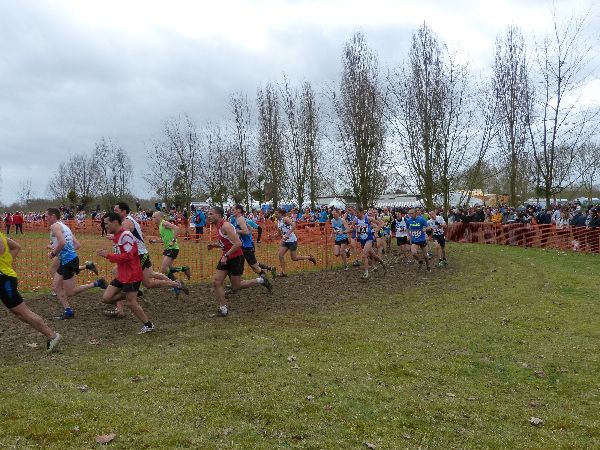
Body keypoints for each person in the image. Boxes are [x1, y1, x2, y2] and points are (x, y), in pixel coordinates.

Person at [104, 203, 187, 318]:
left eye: (116, 210)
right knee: (148, 283)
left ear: (123, 212)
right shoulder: (129, 221)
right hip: (141, 253)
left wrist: (113, 238)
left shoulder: (126, 222)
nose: (114, 213)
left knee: (117, 272)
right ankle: (176, 284)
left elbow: (123, 237)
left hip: (137, 256)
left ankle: (121, 309)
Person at [0, 231, 61, 351]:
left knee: (23, 312)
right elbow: (16, 247)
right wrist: (6, 264)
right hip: (5, 276)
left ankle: (52, 336)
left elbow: (3, 249)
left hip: (4, 280)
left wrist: (4, 267)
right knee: (18, 313)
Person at [206, 206, 271, 317]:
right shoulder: (218, 226)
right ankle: (223, 309)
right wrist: (214, 245)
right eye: (208, 214)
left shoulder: (226, 226)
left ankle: (261, 280)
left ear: (219, 215)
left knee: (236, 286)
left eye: (211, 214)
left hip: (236, 257)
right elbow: (227, 242)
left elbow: (238, 243)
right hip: (227, 257)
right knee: (216, 282)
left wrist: (226, 255)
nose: (208, 216)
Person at [97, 213, 155, 334]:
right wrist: (110, 255)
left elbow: (128, 256)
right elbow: (119, 255)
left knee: (131, 303)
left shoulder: (126, 235)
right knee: (106, 298)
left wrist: (108, 255)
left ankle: (148, 325)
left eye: (106, 223)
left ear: (115, 222)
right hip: (122, 274)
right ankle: (135, 292)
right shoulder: (117, 236)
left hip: (132, 274)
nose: (105, 226)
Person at [47, 208, 107, 319]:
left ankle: (97, 283)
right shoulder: (65, 226)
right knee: (56, 286)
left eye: (47, 216)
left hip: (69, 261)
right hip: (67, 260)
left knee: (70, 292)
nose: (46, 218)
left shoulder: (54, 226)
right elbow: (77, 245)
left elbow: (62, 242)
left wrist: (53, 253)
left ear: (53, 216)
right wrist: (65, 251)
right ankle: (68, 311)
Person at [230, 205, 275, 284]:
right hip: (240, 246)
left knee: (254, 266)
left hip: (247, 246)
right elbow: (248, 230)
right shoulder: (233, 219)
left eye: (233, 209)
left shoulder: (244, 220)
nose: (231, 211)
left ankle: (265, 276)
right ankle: (236, 282)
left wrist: (258, 240)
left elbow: (254, 230)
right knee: (237, 264)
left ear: (239, 210)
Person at [272, 208, 317, 277]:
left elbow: (294, 225)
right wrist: (272, 236)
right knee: (280, 255)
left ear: (281, 214)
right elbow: (279, 233)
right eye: (275, 214)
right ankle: (283, 272)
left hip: (292, 240)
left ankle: (309, 258)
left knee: (294, 258)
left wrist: (287, 234)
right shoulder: (278, 222)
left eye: (277, 214)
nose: (275, 215)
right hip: (285, 241)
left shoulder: (285, 219)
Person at [149, 211, 191, 283]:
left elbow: (176, 228)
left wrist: (173, 241)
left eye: (154, 217)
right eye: (152, 217)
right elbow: (164, 239)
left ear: (159, 217)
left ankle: (176, 282)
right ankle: (181, 274)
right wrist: (154, 241)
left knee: (164, 269)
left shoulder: (164, 223)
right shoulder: (160, 226)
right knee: (169, 268)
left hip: (173, 248)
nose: (152, 219)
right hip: (168, 248)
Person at [350, 208, 385, 279]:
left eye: (358, 213)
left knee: (364, 255)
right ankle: (382, 262)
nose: (356, 215)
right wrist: (354, 229)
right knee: (373, 255)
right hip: (362, 240)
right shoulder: (356, 220)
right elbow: (351, 227)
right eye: (356, 213)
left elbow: (379, 223)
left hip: (369, 239)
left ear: (362, 212)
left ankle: (366, 273)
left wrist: (376, 231)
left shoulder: (368, 218)